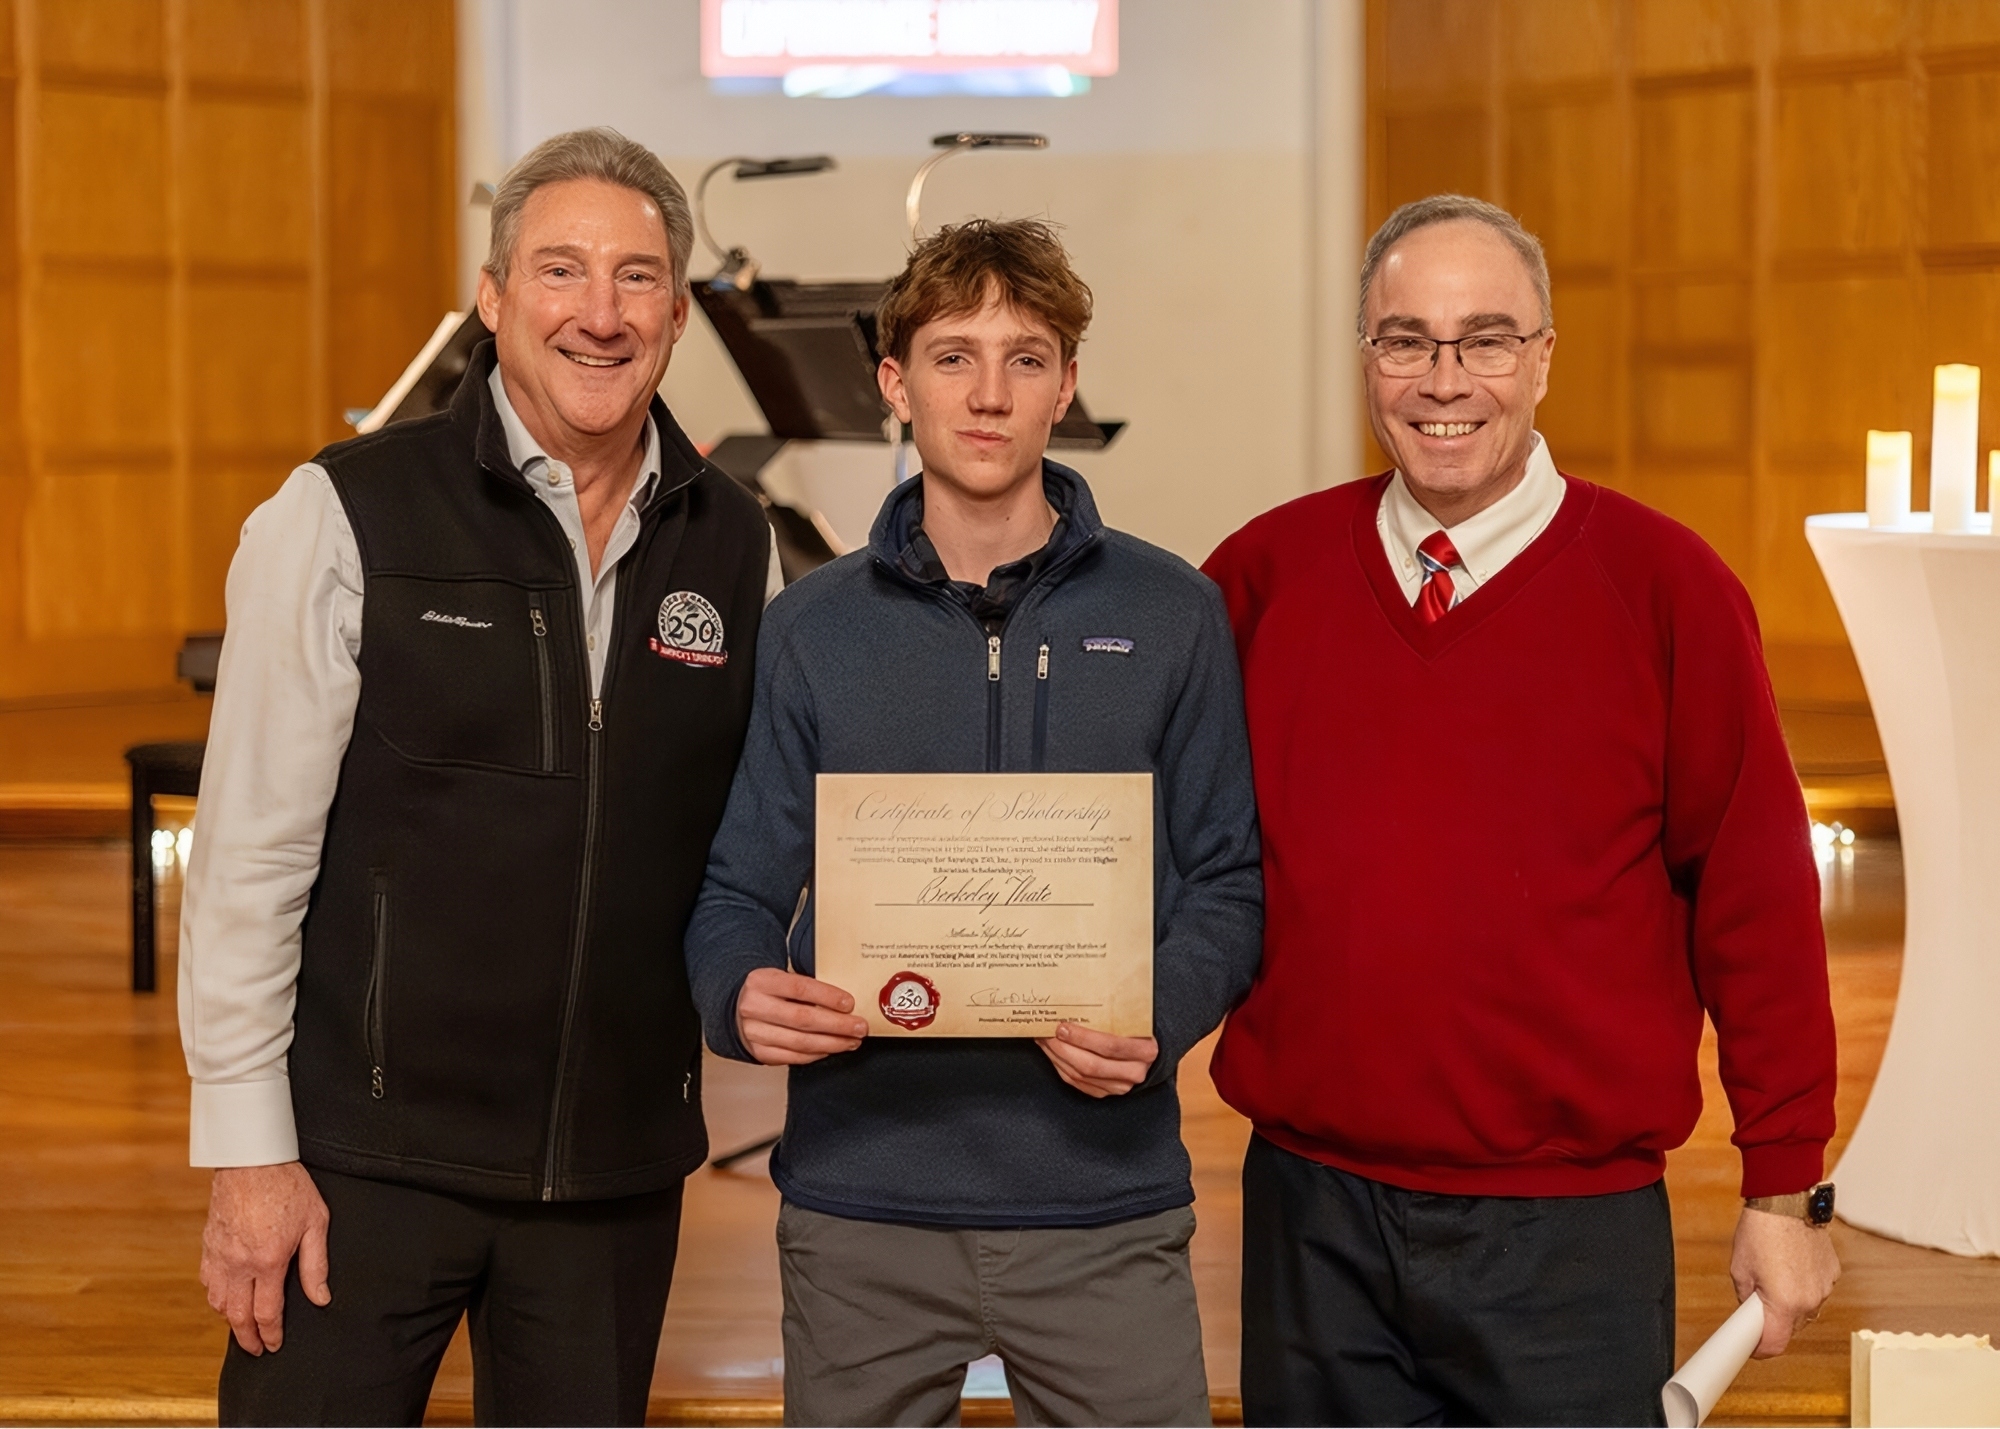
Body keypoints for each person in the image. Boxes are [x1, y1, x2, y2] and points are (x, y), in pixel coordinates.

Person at [1200, 194, 1841, 1428]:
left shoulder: (1667, 588)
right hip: (1311, 1211)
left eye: (1486, 338)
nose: (1445, 379)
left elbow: (1755, 898)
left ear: (1543, 358)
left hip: (1568, 1233)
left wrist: (1782, 1186)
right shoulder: (1260, 576)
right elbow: (1181, 862)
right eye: (1406, 339)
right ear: (1366, 357)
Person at [178, 127, 779, 1426]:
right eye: (560, 271)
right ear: (494, 299)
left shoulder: (738, 545)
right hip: (360, 1166)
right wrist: (249, 1153)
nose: (600, 314)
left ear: (679, 310)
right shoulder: (342, 516)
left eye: (637, 278)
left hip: (614, 1184)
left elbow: (748, 846)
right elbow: (249, 859)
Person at [684, 218, 1263, 1428]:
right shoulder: (812, 626)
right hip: (861, 1211)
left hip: (1103, 1205)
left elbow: (1229, 880)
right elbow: (737, 884)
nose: (988, 394)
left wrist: (1156, 1014)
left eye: (1026, 356)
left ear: (1068, 383)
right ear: (894, 384)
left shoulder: (1175, 611)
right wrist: (736, 989)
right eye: (952, 356)